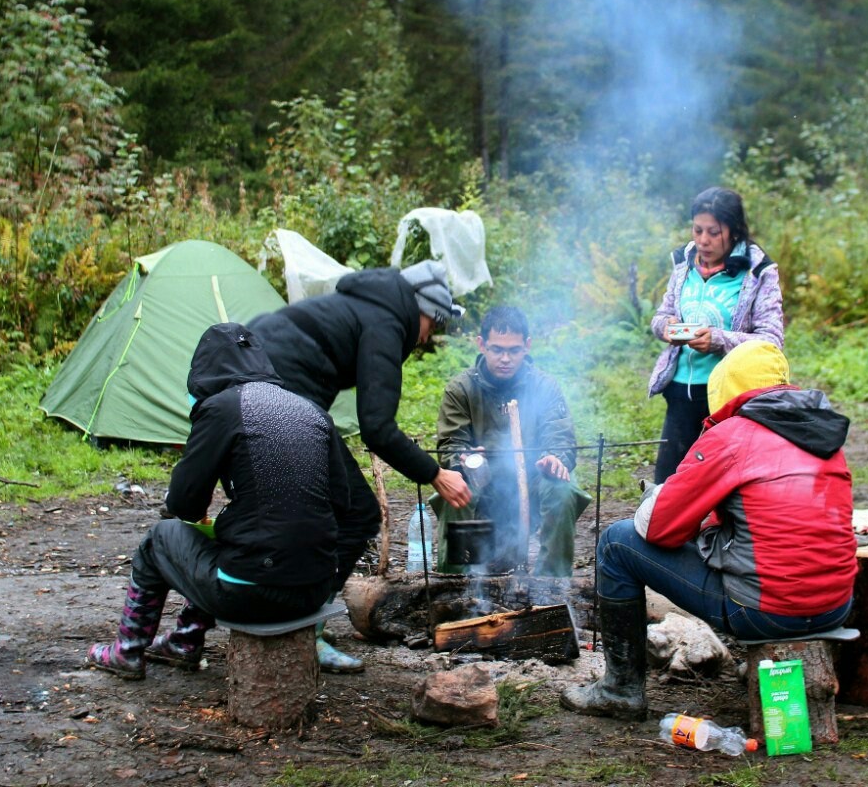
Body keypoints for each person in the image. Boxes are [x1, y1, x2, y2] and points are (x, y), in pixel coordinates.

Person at [562, 340, 857, 720]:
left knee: (616, 543)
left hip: (766, 612)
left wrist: (664, 497)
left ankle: (620, 689)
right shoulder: (823, 434)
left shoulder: (734, 435)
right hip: (836, 606)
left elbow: (659, 530)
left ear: (726, 389)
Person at [86, 322, 370, 679]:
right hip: (315, 589)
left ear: (205, 371)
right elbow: (342, 504)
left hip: (252, 593)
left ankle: (127, 651)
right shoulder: (310, 410)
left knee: (159, 540)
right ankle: (183, 642)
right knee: (227, 543)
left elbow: (184, 505)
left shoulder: (221, 408)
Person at [247, 259, 472, 672]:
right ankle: (304, 633)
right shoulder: (386, 323)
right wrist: (435, 474)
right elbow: (378, 428)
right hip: (281, 398)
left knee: (286, 515)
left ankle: (280, 620)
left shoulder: (363, 305)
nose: (426, 337)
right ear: (420, 310)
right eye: (432, 325)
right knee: (355, 513)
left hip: (246, 383)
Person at [434, 306, 590, 577]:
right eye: (497, 349)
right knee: (454, 488)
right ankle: (455, 583)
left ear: (527, 346)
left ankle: (550, 586)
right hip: (482, 483)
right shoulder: (461, 389)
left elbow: (560, 435)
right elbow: (450, 444)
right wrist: (462, 458)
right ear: (481, 344)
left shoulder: (545, 387)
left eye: (514, 350)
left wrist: (556, 458)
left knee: (562, 489)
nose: (505, 358)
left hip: (532, 480)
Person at [648, 187, 784, 487]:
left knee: (726, 484)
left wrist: (718, 340)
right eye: (697, 230)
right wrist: (666, 327)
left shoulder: (757, 270)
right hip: (681, 390)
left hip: (731, 395)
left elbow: (771, 340)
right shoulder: (683, 263)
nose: (703, 241)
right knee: (668, 483)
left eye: (713, 232)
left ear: (734, 232)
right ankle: (663, 535)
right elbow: (661, 315)